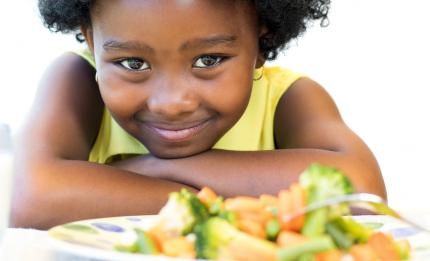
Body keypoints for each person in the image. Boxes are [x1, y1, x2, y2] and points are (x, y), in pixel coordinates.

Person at [11, 0, 386, 229]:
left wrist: (142, 170)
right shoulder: (77, 80)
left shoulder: (287, 97)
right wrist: (246, 202)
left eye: (209, 60)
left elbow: (362, 192)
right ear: (91, 41)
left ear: (262, 40)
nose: (171, 103)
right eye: (133, 63)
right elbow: (29, 198)